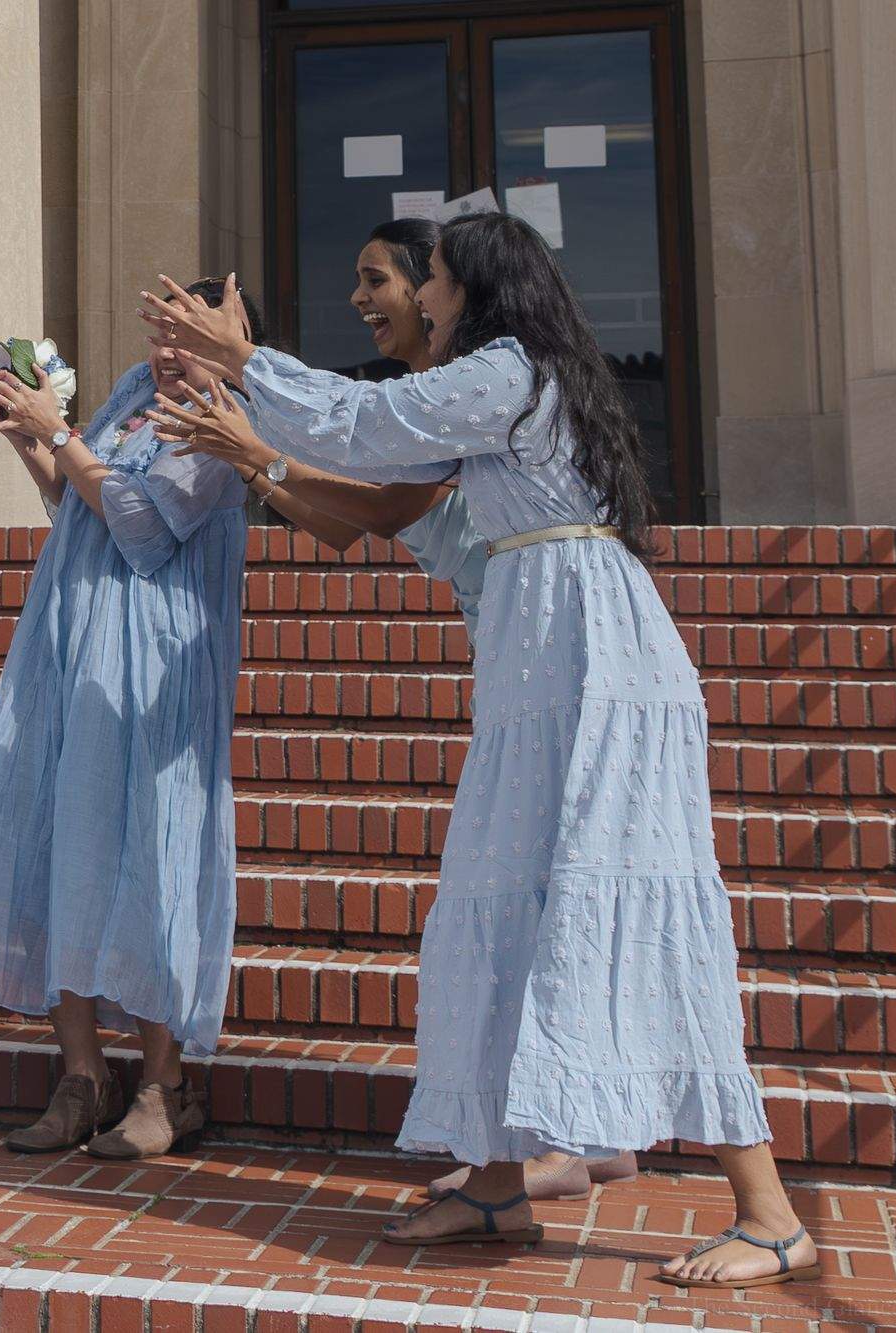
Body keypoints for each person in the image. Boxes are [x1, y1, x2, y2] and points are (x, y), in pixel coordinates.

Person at [149, 215, 816, 1289]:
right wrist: (248, 415)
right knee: (498, 900)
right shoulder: (506, 383)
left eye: (436, 282)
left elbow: (366, 420)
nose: (425, 299)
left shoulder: (506, 369)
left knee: (628, 902)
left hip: (596, 664)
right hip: (542, 658)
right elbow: (376, 475)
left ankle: (770, 1214)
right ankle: (499, 1180)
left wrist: (246, 361)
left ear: (479, 290)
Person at [149, 224, 638, 1205]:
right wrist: (252, 449)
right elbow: (345, 513)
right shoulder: (432, 398)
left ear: (437, 291)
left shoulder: (474, 388)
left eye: (382, 279)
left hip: (557, 657)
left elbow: (376, 495)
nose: (360, 300)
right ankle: (575, 1131)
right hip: (518, 653)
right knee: (538, 884)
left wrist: (252, 418)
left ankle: (571, 1131)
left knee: (546, 884)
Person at [0, 278, 257, 1162]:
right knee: (60, 835)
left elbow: (144, 528)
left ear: (232, 339)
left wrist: (61, 434)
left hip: (154, 660)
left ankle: (163, 1084)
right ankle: (81, 1076)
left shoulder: (226, 420)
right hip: (72, 638)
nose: (168, 352)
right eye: (162, 333)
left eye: (188, 337)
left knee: (149, 845)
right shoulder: (135, 394)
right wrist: (28, 436)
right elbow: (80, 502)